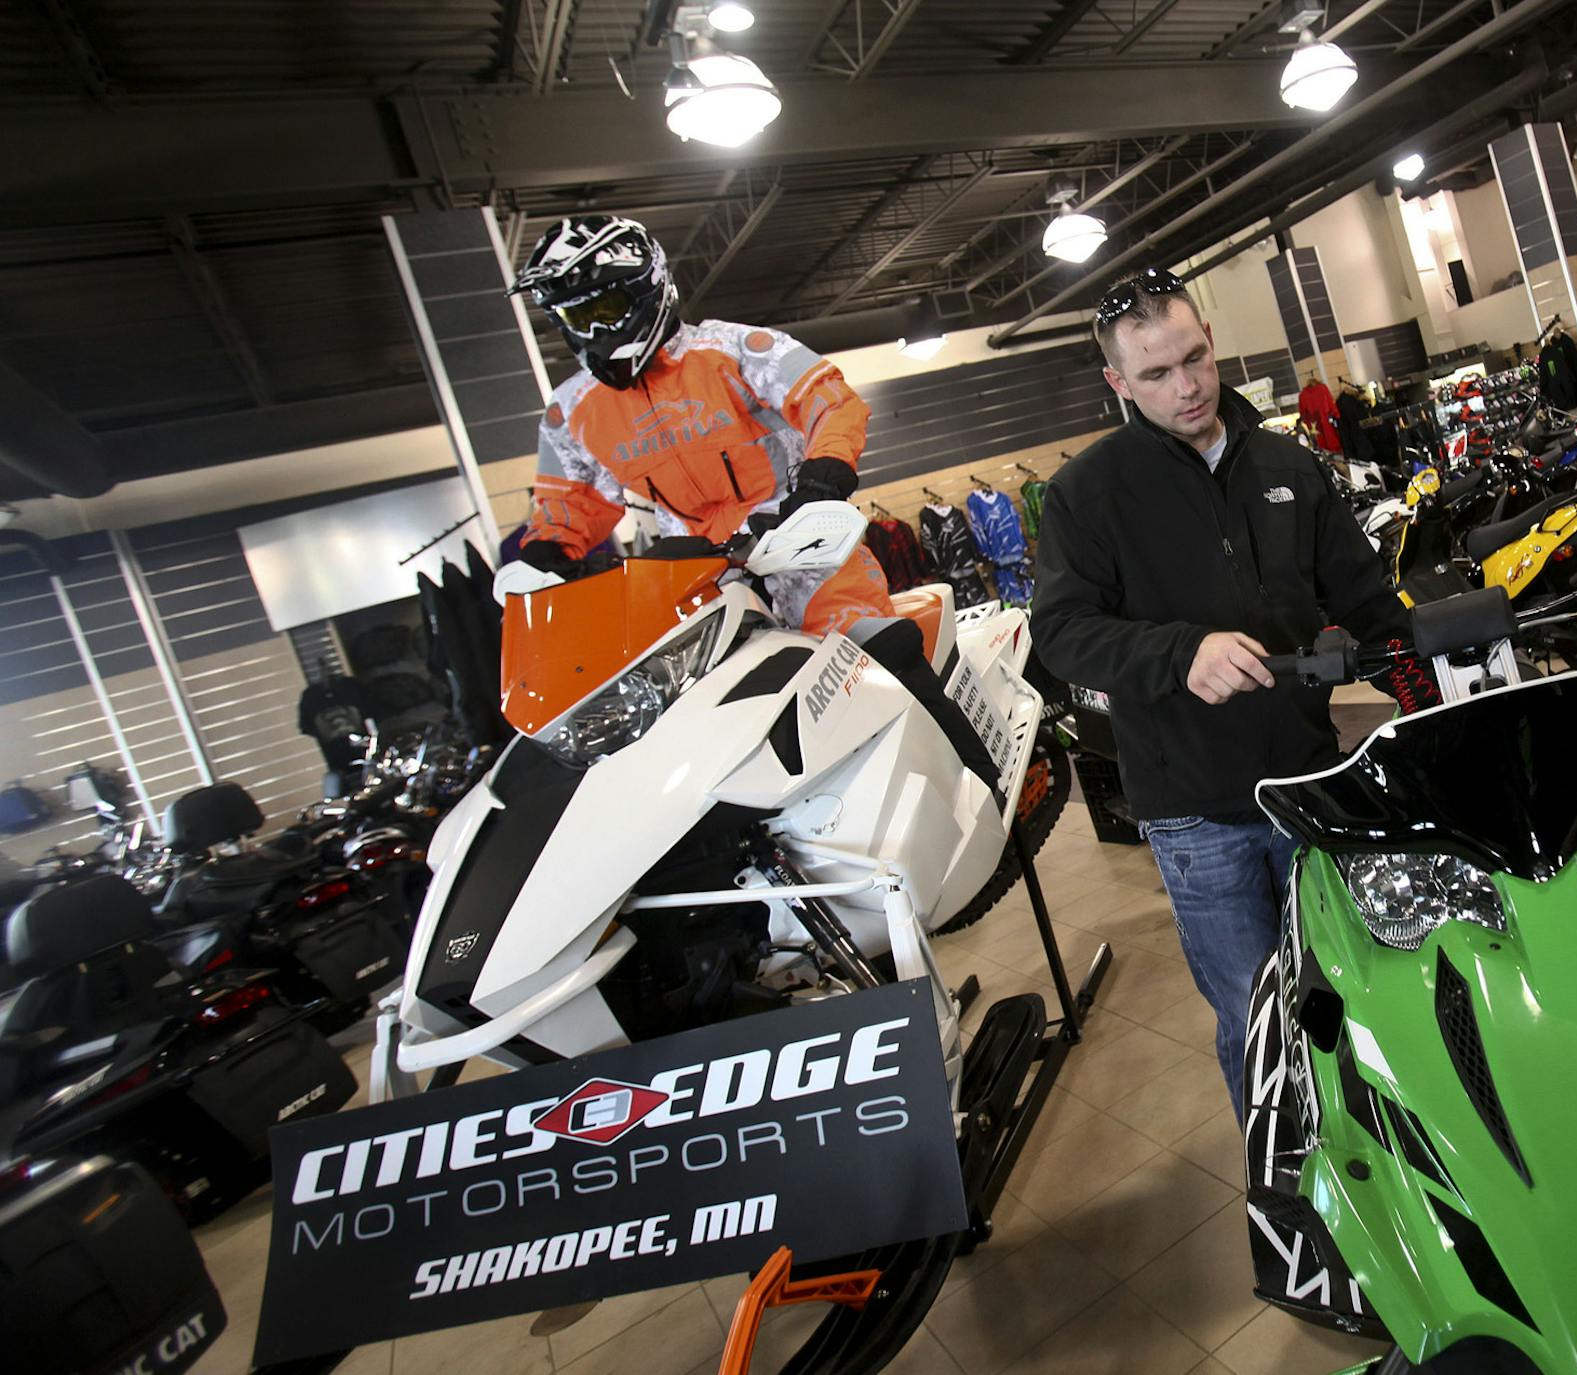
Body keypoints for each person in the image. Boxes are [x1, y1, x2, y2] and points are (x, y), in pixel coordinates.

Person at [1031, 268, 1415, 1116]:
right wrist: (1179, 652)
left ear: (1210, 339)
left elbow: (1367, 603)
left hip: (1310, 788)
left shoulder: (1286, 464)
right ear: (1117, 383)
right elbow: (1059, 634)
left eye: (1195, 358)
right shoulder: (1086, 494)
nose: (1188, 386)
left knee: (1357, 994)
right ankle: (1283, 1195)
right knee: (1257, 1019)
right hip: (1198, 816)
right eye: (1156, 375)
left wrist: (1429, 676)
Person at [498, 215, 1000, 793]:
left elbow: (829, 401)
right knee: (694, 718)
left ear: (646, 289)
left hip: (799, 542)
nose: (594, 330)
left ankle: (980, 790)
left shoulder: (734, 348)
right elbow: (570, 503)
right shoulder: (572, 410)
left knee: (883, 657)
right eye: (576, 318)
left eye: (604, 309)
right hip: (691, 575)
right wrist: (544, 555)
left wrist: (822, 477)